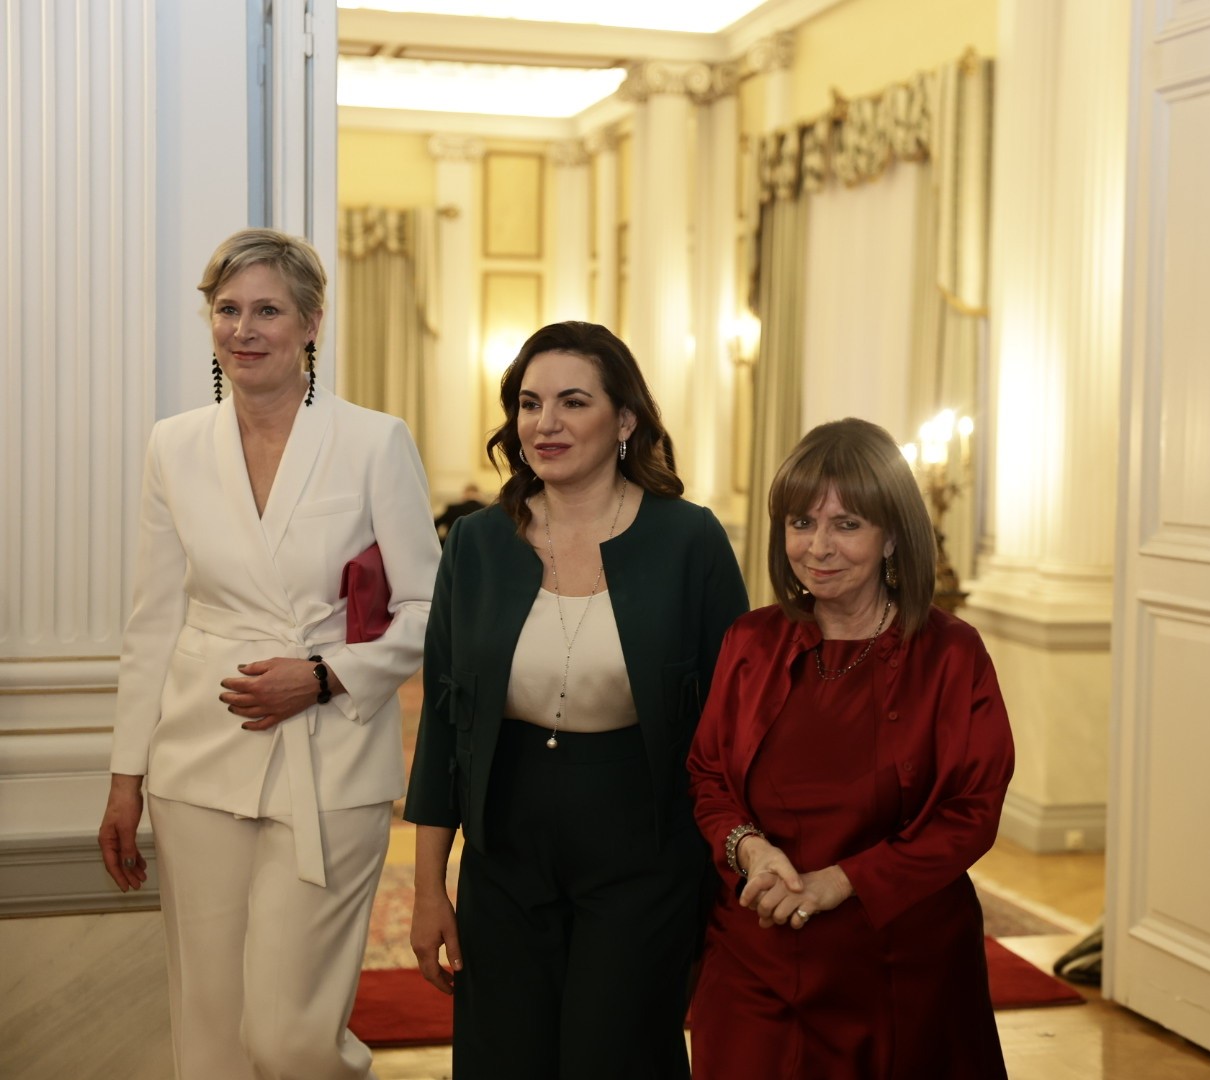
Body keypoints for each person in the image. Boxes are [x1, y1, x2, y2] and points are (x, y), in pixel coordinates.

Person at [96, 228, 439, 1080]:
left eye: (268, 311)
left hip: (330, 762)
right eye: (227, 310)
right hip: (195, 760)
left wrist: (323, 677)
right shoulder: (173, 445)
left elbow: (430, 609)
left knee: (290, 1038)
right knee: (210, 1035)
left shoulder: (373, 441)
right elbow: (152, 620)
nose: (243, 330)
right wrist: (125, 776)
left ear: (311, 323)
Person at [404, 320, 749, 1080]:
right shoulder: (477, 544)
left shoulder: (689, 541)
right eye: (529, 404)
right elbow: (443, 728)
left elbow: (733, 728)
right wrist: (429, 890)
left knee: (615, 1057)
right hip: (504, 854)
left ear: (624, 420)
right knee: (504, 1060)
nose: (545, 423)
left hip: (643, 853)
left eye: (572, 402)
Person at [687, 417, 1013, 1080]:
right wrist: (750, 851)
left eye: (846, 524)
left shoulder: (950, 655)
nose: (818, 547)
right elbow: (708, 776)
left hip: (899, 965)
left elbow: (969, 811)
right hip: (757, 950)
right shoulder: (749, 642)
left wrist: (841, 882)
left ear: (891, 535)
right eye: (801, 523)